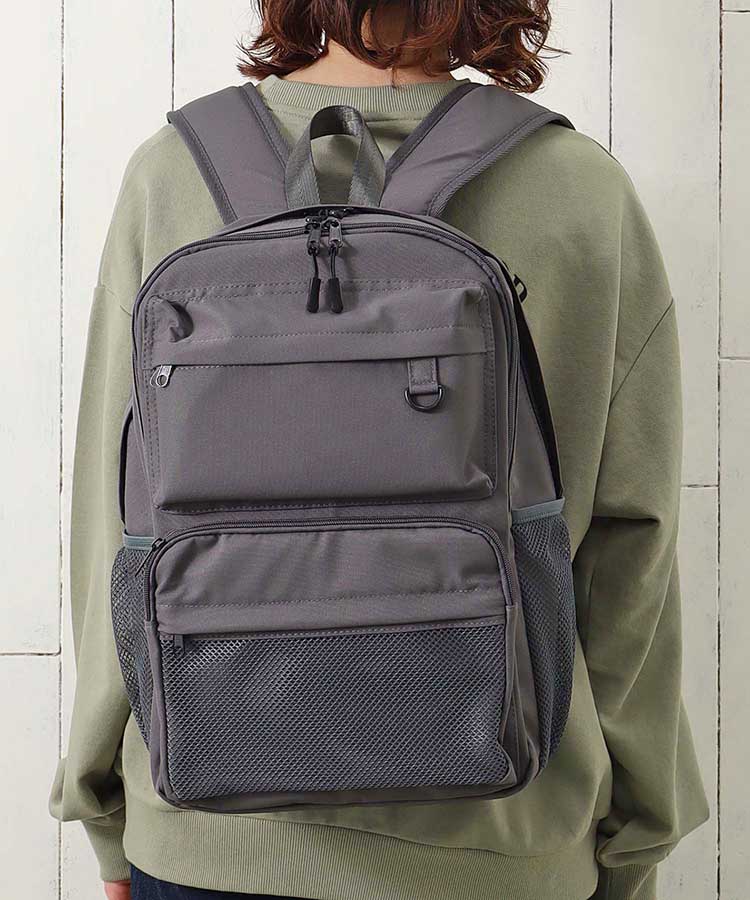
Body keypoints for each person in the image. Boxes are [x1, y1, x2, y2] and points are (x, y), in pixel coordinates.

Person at [50, 1, 709, 898]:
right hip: (503, 851)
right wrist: (637, 838)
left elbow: (114, 528)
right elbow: (632, 559)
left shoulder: (172, 174)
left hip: (205, 839)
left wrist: (101, 809)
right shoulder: (579, 189)